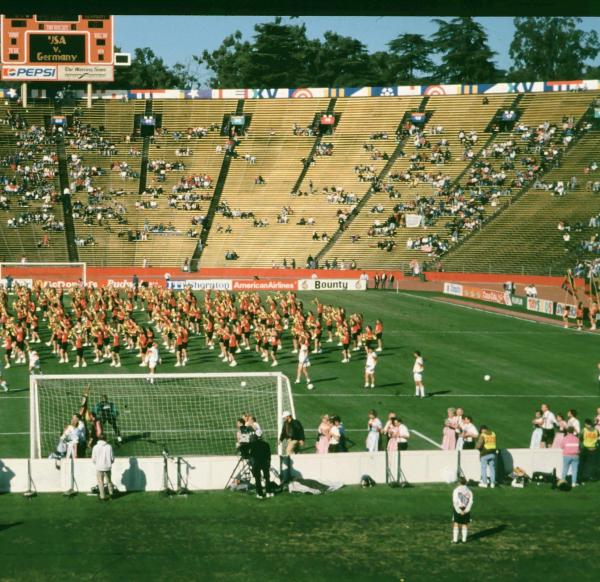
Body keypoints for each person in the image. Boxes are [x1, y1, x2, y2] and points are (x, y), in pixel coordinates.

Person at [248, 434, 273, 499]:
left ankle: (260, 494)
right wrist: (269, 463)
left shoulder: (252, 445)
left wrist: (251, 464)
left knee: (257, 479)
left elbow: (250, 455)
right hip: (265, 462)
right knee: (267, 478)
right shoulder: (266, 444)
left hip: (256, 463)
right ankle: (268, 492)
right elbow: (269, 455)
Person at [91, 433, 114, 501]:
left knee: (100, 482)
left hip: (99, 467)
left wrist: (97, 463)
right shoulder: (109, 446)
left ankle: (102, 497)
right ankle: (111, 494)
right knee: (109, 481)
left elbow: (93, 459)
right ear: (105, 439)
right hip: (107, 467)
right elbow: (112, 458)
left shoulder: (95, 447)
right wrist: (110, 463)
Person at [452, 477, 473, 544]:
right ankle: (464, 540)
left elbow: (455, 502)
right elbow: (471, 501)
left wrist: (459, 511)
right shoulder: (469, 491)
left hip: (458, 508)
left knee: (456, 524)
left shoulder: (456, 490)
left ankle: (455, 540)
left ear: (458, 482)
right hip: (466, 508)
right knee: (465, 524)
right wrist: (466, 510)